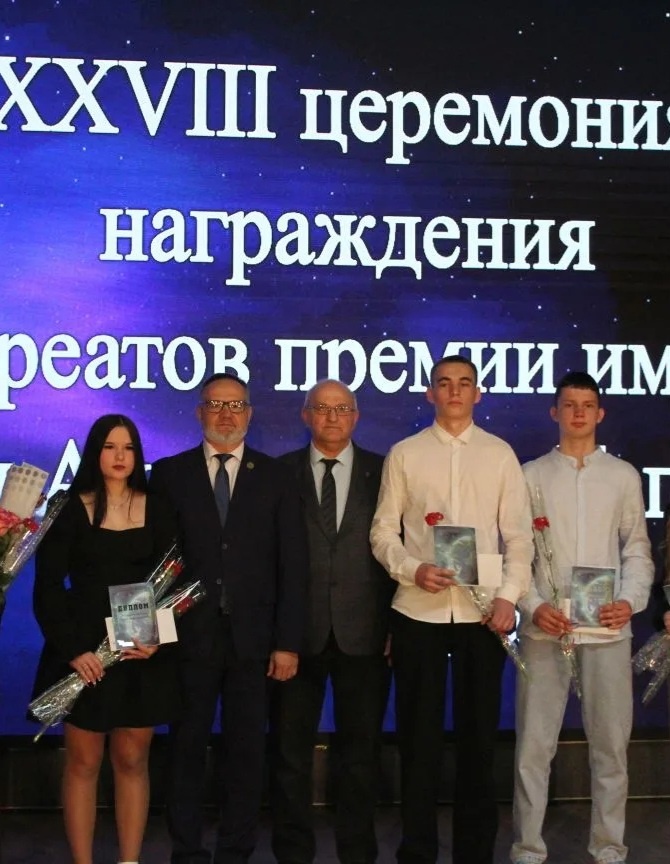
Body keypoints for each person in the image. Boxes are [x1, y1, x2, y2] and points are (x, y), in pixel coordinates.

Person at [370, 355, 533, 864]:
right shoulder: (405, 454)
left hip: (483, 618)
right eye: (445, 383)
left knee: (478, 745)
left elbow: (519, 538)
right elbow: (382, 531)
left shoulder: (499, 455)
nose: (455, 391)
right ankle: (417, 852)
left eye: (464, 383)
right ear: (430, 393)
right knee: (417, 744)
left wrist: (508, 596)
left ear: (477, 393)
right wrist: (412, 568)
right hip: (418, 612)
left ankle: (474, 854)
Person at [149, 372, 308, 864]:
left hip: (254, 642)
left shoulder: (276, 476)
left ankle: (236, 849)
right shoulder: (170, 474)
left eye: (235, 405)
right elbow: (154, 561)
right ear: (200, 412)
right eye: (216, 404)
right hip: (186, 639)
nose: (225, 414)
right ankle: (187, 850)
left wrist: (287, 642)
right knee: (185, 749)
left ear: (249, 414)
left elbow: (293, 564)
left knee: (247, 752)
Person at [511, 371, 653, 864]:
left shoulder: (622, 476)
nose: (578, 413)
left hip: (607, 629)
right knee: (533, 747)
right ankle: (528, 847)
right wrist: (534, 605)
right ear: (555, 412)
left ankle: (609, 846)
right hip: (545, 629)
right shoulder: (530, 475)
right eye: (569, 404)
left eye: (587, 405)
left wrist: (629, 600)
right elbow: (518, 554)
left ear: (600, 413)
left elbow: (637, 549)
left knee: (611, 747)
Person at [31, 414, 180, 864]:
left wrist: (156, 638)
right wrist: (73, 651)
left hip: (139, 651)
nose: (120, 456)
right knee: (83, 762)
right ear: (95, 452)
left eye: (128, 448)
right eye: (110, 447)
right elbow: (47, 588)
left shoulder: (159, 506)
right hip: (83, 652)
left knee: (133, 760)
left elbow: (174, 580)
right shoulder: (68, 507)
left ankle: (129, 860)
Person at [270, 379, 393, 864]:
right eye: (322, 409)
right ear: (306, 416)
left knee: (360, 757)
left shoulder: (384, 472)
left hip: (366, 635)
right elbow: (268, 559)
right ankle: (292, 854)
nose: (332, 417)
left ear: (356, 417)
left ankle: (357, 854)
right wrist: (277, 633)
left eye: (342, 409)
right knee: (289, 755)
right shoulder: (279, 473)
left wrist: (394, 627)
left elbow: (400, 550)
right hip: (295, 637)